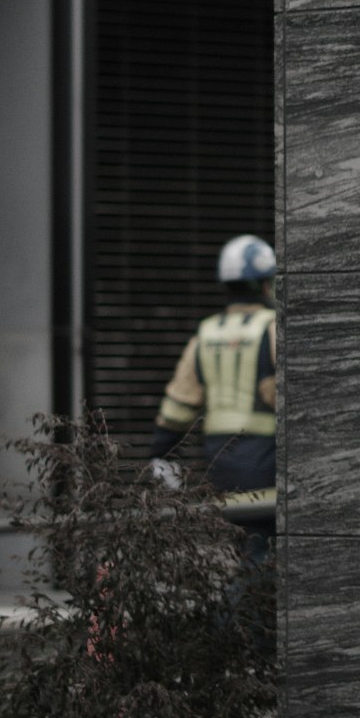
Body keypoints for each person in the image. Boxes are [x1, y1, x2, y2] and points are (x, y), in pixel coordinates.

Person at [148, 233, 280, 559]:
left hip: (219, 462)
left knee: (242, 547)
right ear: (265, 283)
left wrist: (161, 454)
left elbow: (179, 404)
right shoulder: (272, 327)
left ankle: (240, 605)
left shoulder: (207, 332)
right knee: (263, 551)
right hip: (264, 459)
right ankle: (244, 608)